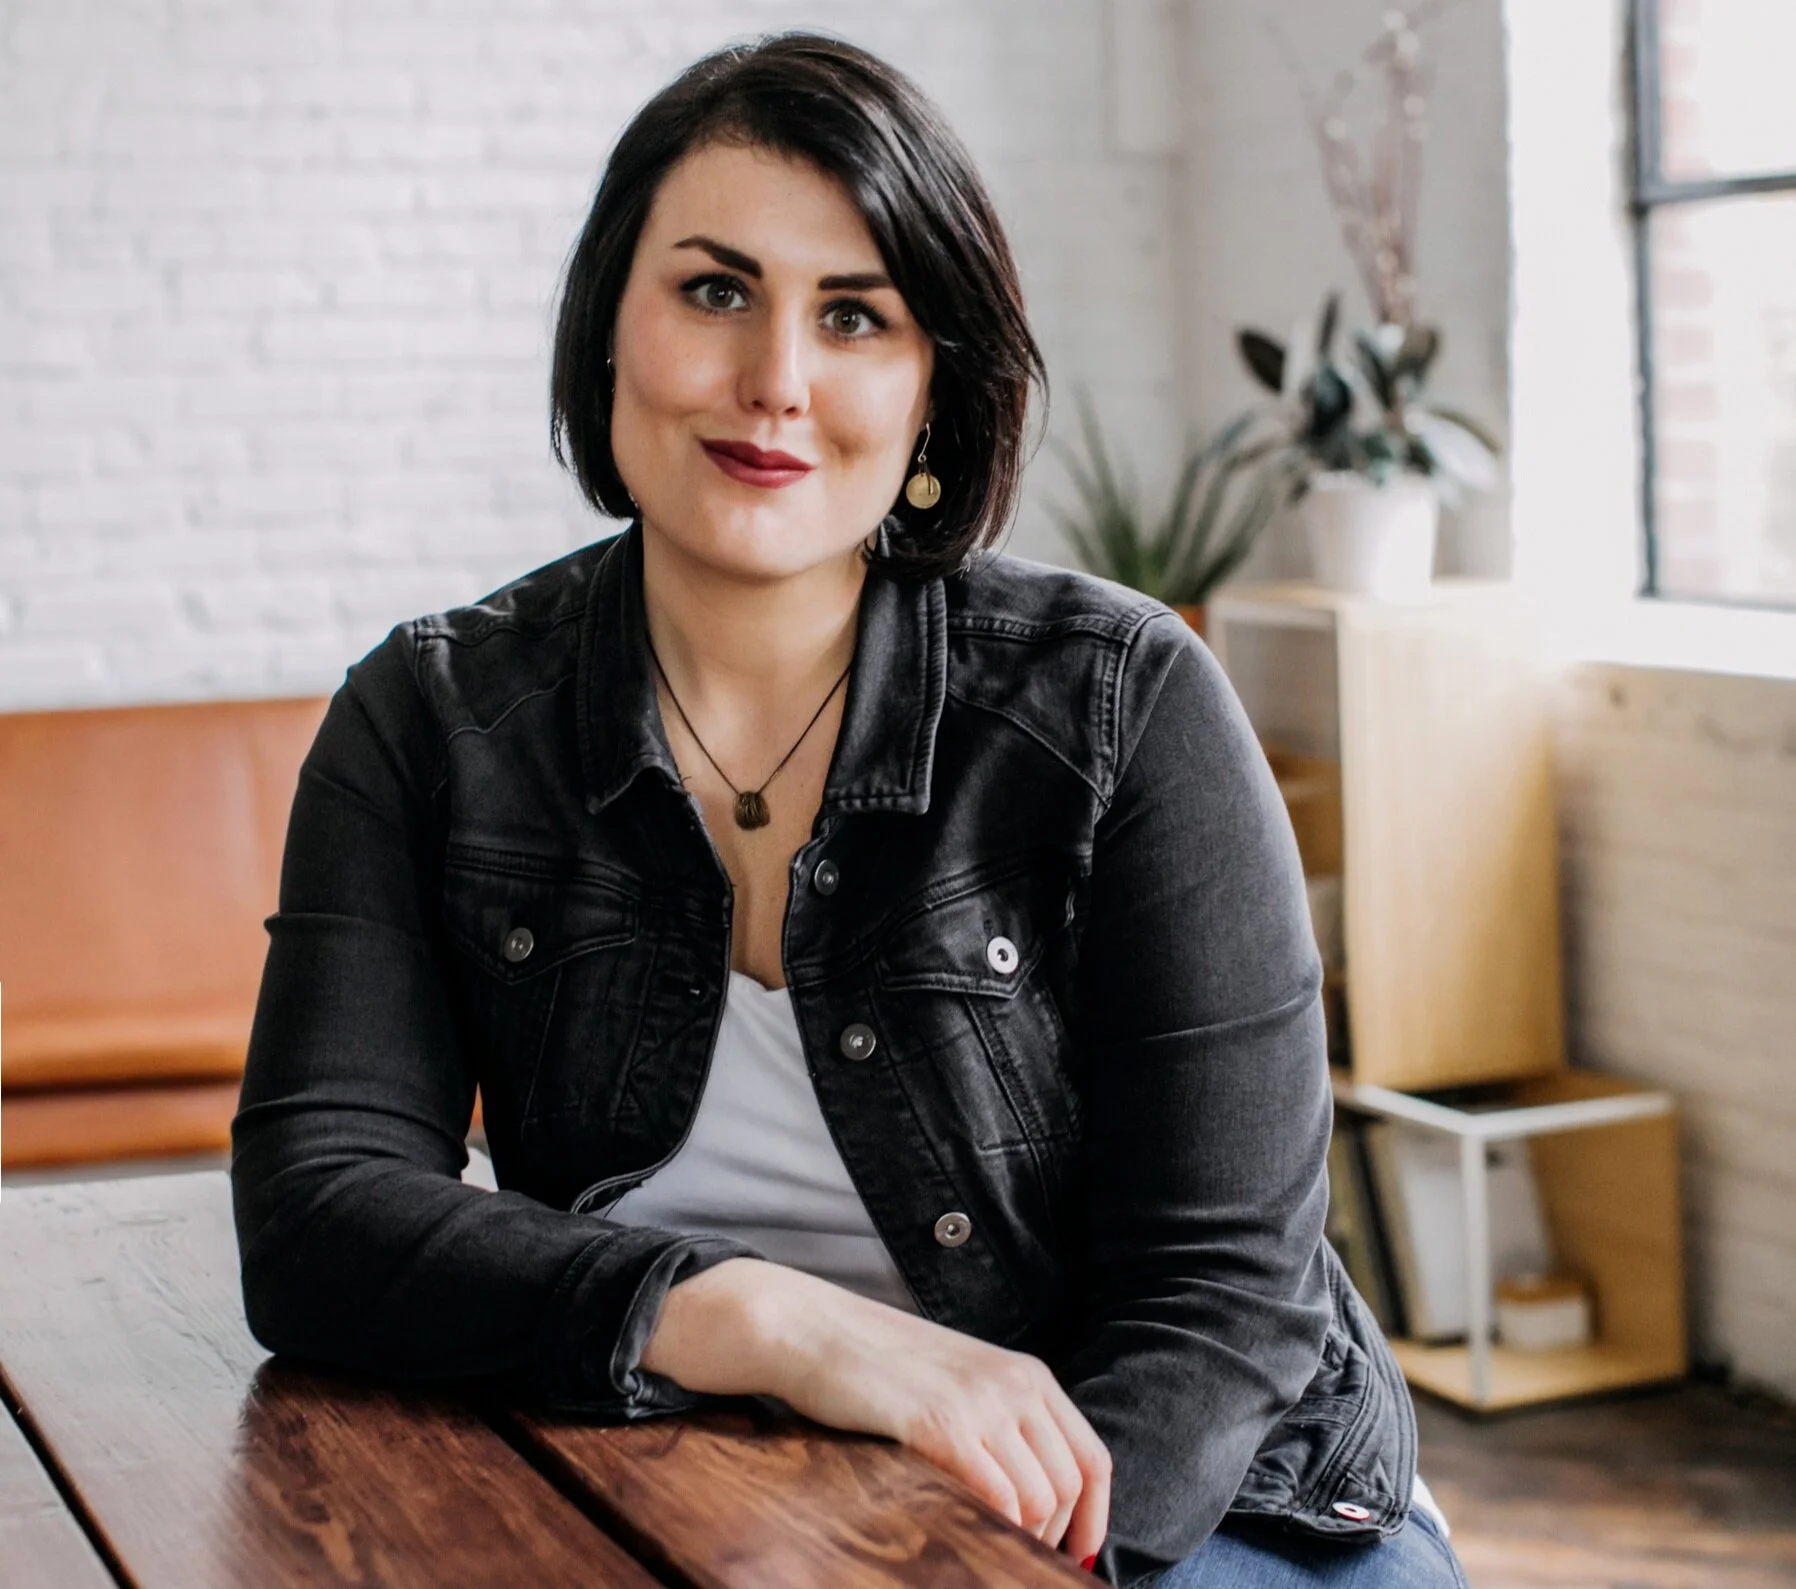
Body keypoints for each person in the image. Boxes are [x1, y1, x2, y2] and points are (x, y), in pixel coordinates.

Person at [231, 32, 1464, 1589]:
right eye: (714, 290)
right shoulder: (432, 723)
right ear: (606, 325)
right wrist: (762, 1319)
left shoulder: (1124, 707)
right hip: (714, 1486)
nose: (776, 384)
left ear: (934, 385)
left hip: (1186, 1510)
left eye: (857, 317)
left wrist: (983, 1566)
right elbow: (318, 1214)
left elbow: (1224, 1305)